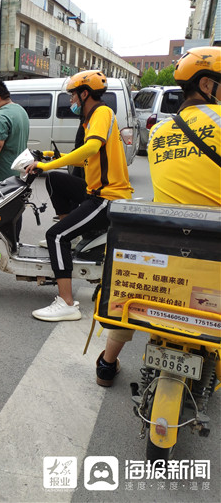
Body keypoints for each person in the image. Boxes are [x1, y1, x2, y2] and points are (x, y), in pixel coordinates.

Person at [95, 47, 221, 387]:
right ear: (208, 85)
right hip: (214, 246)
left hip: (163, 238)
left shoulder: (163, 131)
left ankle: (107, 364)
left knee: (134, 285)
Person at [25, 70, 133, 322]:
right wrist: (50, 159)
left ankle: (66, 302)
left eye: (73, 96)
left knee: (55, 235)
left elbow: (92, 147)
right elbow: (88, 157)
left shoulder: (101, 113)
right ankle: (72, 239)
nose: (72, 101)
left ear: (85, 94)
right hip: (94, 191)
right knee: (56, 180)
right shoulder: (92, 118)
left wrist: (46, 166)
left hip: (108, 197)